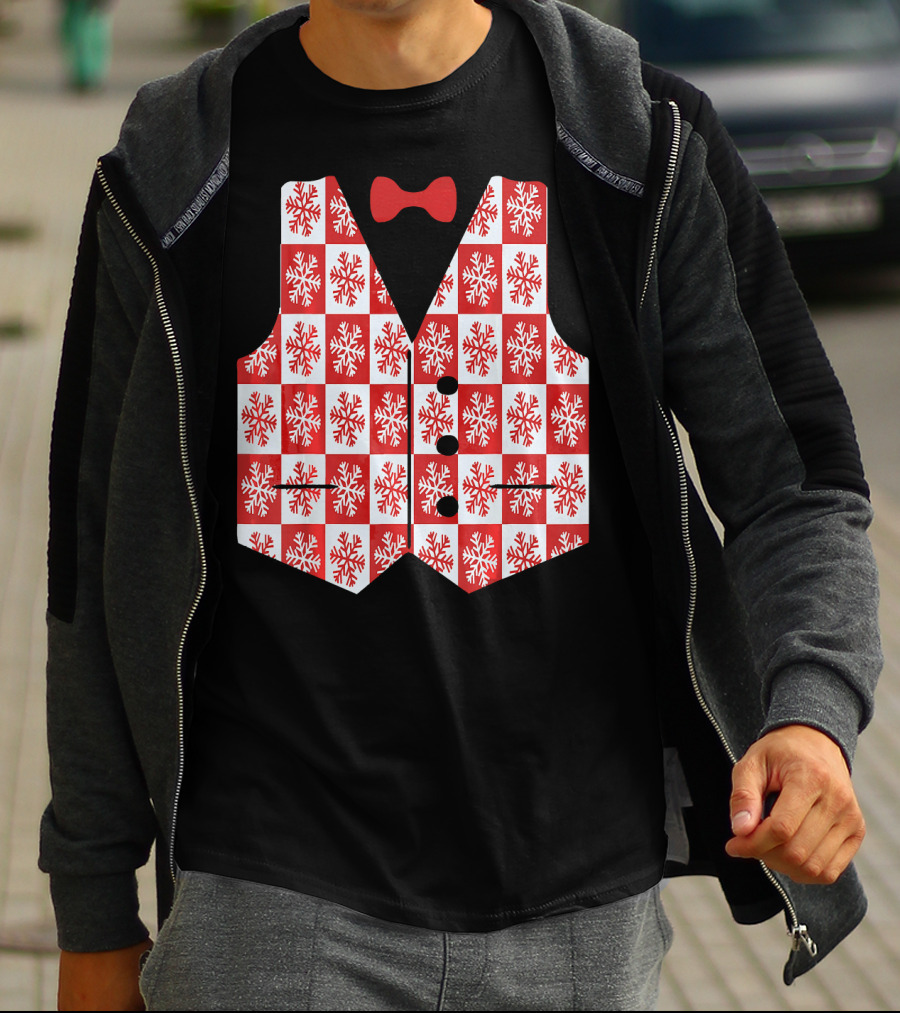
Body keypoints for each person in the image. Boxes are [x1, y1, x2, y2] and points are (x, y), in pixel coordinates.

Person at [41, 0, 881, 1009]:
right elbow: (89, 559)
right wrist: (93, 908)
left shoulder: (635, 138)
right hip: (268, 903)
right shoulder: (175, 167)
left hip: (582, 906)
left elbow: (797, 480)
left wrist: (813, 715)